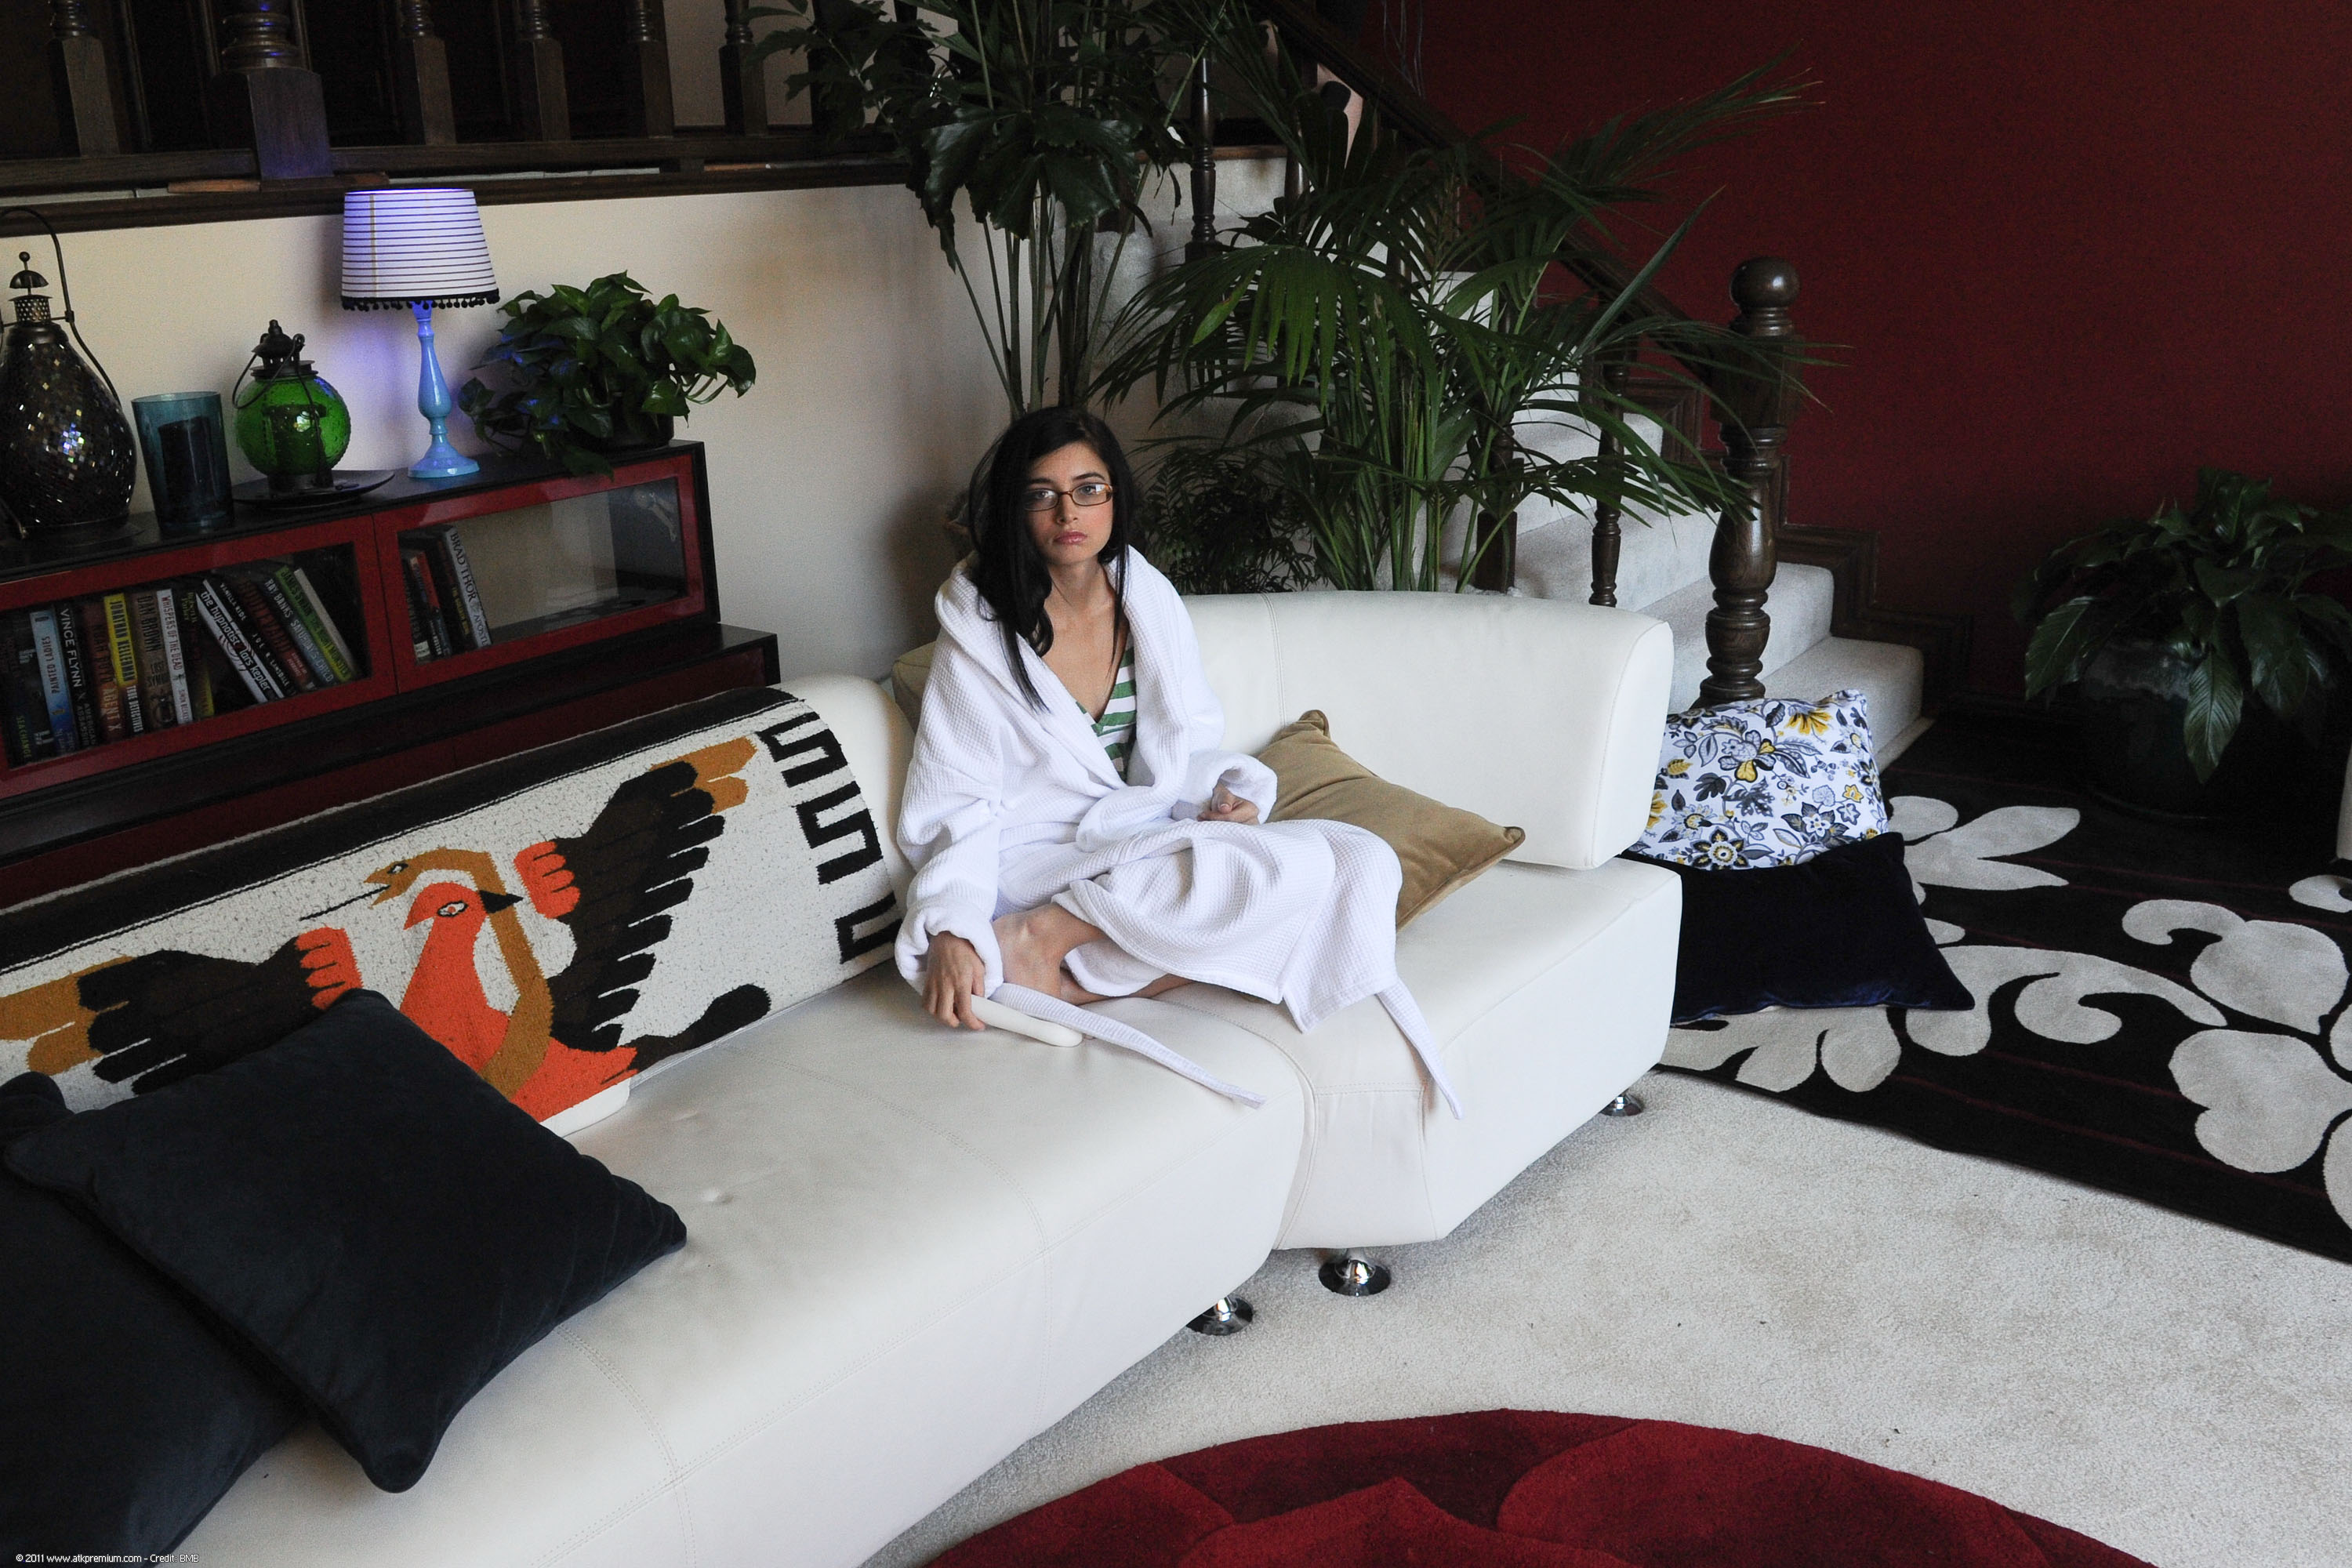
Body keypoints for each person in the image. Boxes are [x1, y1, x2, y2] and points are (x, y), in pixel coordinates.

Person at [893, 407, 1459, 1114]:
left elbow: (1182, 745)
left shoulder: (1145, 595)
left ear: (1115, 496)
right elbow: (956, 799)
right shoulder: (980, 634)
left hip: (1134, 840)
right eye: (1042, 494)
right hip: (1033, 858)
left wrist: (1219, 795)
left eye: (1088, 489)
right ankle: (1039, 932)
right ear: (1016, 508)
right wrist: (951, 922)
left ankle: (1067, 973)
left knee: (1360, 859)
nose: (1068, 512)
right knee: (1247, 876)